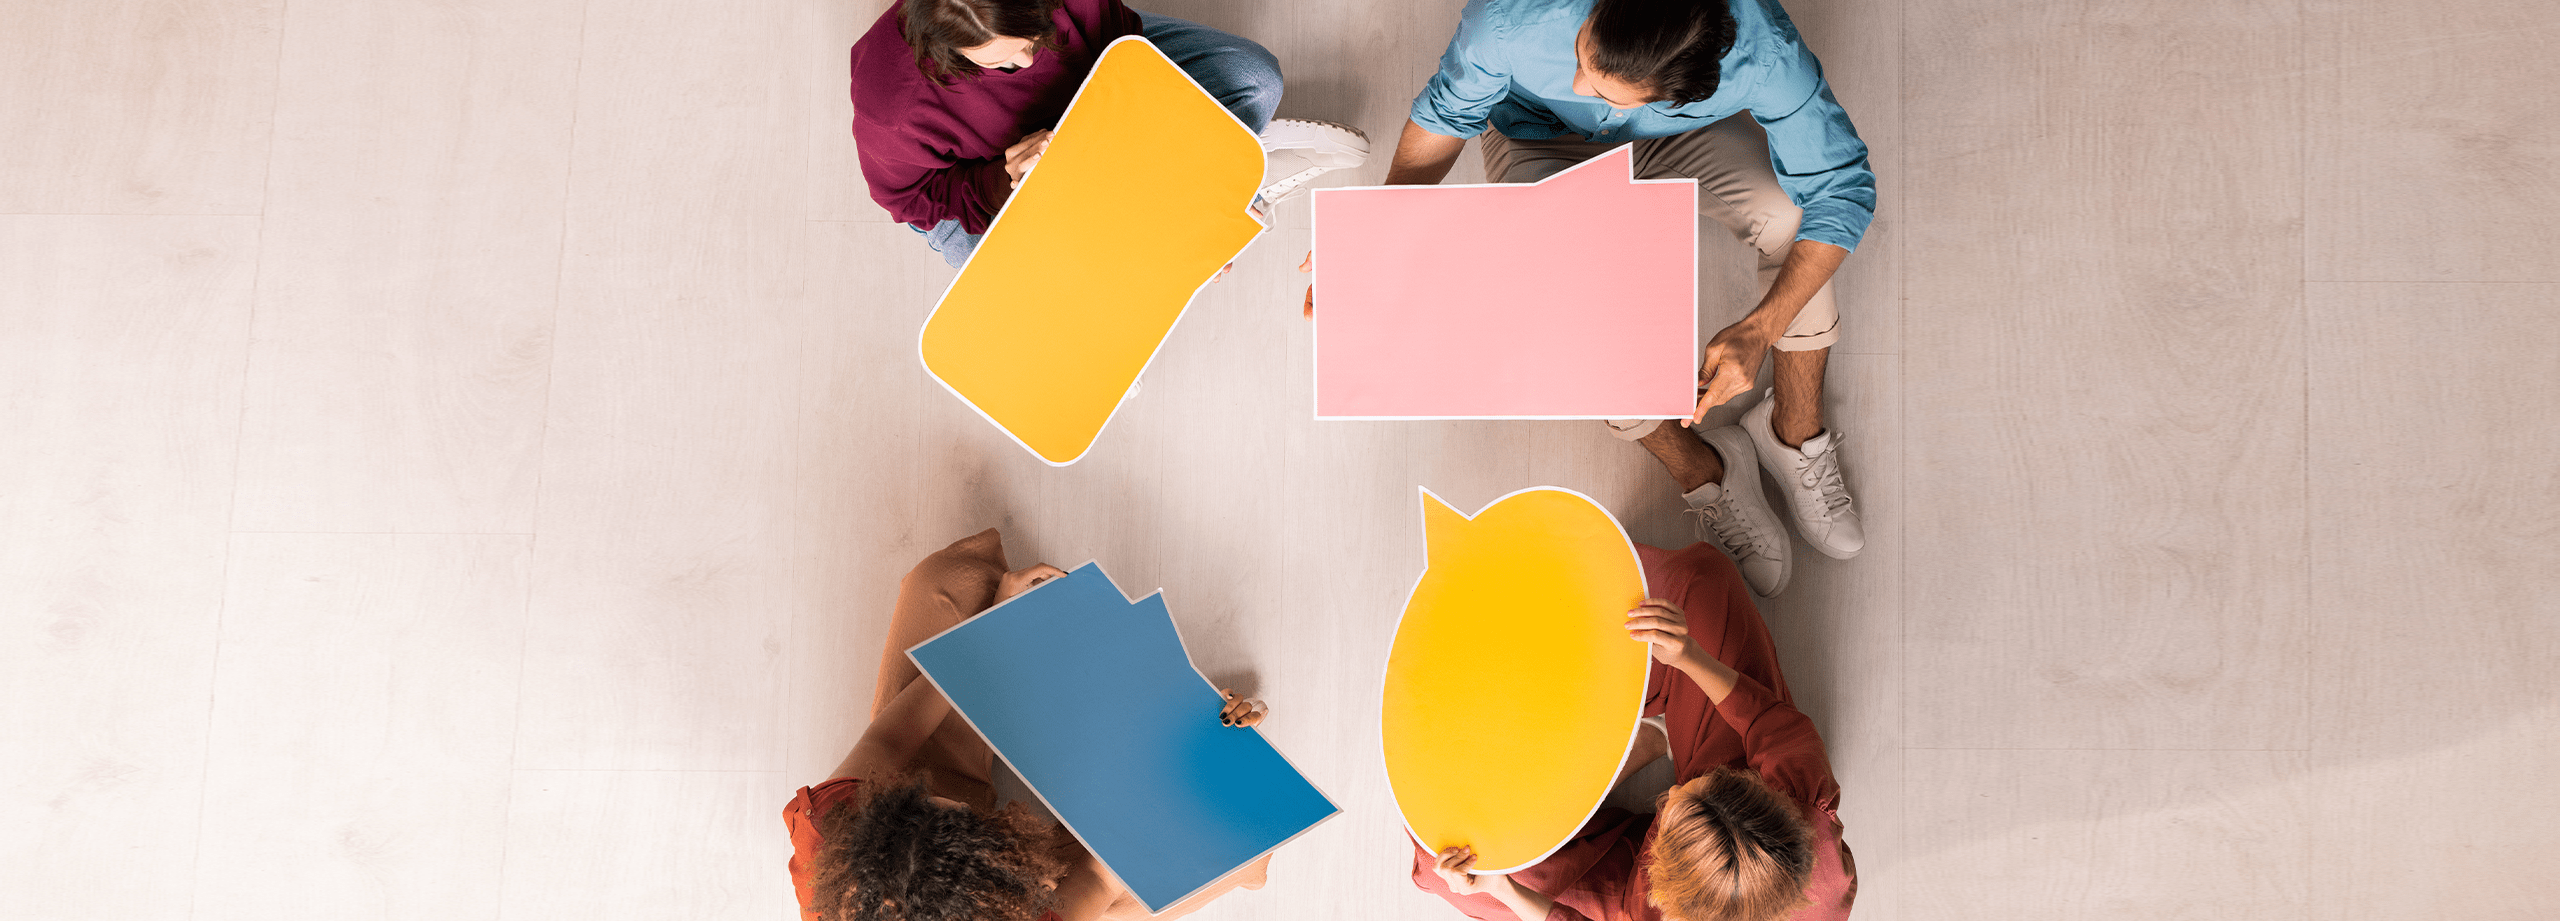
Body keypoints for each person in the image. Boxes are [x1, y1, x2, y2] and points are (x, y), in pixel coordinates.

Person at [1365, 0, 1875, 596]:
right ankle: (1703, 466)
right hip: (1541, 142)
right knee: (1568, 315)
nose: (1580, 87)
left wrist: (1761, 328)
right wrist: (1375, 241)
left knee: (1792, 218)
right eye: (1584, 57)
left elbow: (1841, 189)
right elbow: (1446, 116)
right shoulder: (1509, 19)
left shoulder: (1763, 52)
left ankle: (1792, 428)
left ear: (1693, 81)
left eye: (1608, 88)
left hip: (1678, 138)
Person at [785, 528, 1275, 921]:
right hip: (1045, 897)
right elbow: (1100, 876)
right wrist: (1191, 758)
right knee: (1218, 840)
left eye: (929, 802)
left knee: (944, 581)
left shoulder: (833, 826)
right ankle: (1242, 863)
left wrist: (988, 635)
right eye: (968, 821)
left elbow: (889, 737)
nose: (963, 805)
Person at [1405, 533, 1857, 921]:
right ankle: (1656, 741)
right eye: (1692, 790)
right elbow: (1763, 719)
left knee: (1448, 861)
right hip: (1725, 803)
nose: (1672, 791)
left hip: (1629, 899)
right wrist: (1690, 658)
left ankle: (1625, 763)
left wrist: (1503, 888)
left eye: (1670, 799)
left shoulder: (1653, 907)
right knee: (1703, 581)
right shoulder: (1804, 813)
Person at [853, 0, 1369, 268]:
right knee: (1034, 307)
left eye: (1034, 41)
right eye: (1005, 63)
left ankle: (1220, 187)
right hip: (982, 187)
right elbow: (913, 201)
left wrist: (1117, 151)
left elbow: (1121, 41)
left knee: (1255, 80)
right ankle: (1227, 177)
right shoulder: (893, 105)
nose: (1030, 62)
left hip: (1098, 101)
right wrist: (1000, 182)